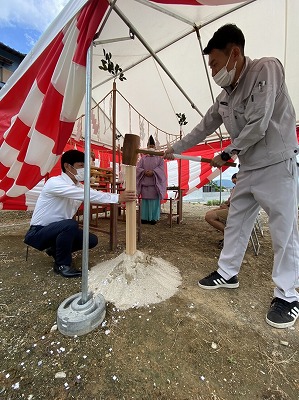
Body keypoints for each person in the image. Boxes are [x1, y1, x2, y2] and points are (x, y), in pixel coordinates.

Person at [164, 24, 299, 329]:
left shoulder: (267, 68)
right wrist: (174, 149)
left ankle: (287, 295)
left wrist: (227, 154)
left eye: (214, 63)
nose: (213, 72)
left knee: (284, 228)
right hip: (249, 167)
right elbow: (203, 127)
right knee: (236, 220)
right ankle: (227, 273)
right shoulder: (225, 96)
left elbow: (259, 123)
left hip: (277, 163)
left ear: (234, 54)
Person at [24, 150, 136, 278]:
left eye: (85, 166)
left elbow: (93, 194)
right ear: (67, 166)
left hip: (58, 229)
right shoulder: (54, 183)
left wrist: (118, 200)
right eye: (81, 166)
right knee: (70, 225)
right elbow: (87, 195)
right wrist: (117, 198)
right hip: (38, 232)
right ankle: (63, 265)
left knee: (91, 240)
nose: (84, 170)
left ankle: (56, 250)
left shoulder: (78, 186)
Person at [136, 135, 167, 225]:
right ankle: (144, 218)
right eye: (150, 146)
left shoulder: (160, 159)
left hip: (155, 184)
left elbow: (161, 168)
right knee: (145, 202)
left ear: (155, 147)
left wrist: (154, 172)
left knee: (154, 202)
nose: (151, 147)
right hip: (145, 184)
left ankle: (154, 218)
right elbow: (138, 168)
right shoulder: (143, 159)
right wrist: (144, 171)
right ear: (147, 147)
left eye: (153, 146)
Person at [205, 173, 237, 248]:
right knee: (208, 213)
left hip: (234, 211)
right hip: (230, 208)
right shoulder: (237, 187)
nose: (235, 184)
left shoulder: (242, 187)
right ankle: (227, 233)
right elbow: (232, 200)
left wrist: (227, 206)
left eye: (235, 182)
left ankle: (228, 234)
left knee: (209, 217)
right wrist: (227, 203)